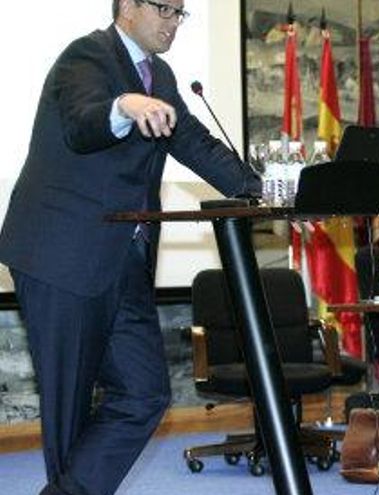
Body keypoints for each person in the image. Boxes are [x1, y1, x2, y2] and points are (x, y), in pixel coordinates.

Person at [0, 1, 260, 494]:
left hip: (126, 260)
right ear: (129, 6)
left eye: (180, 14)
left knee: (144, 392)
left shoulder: (159, 75)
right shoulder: (86, 55)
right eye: (164, 9)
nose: (173, 22)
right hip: (63, 254)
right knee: (69, 406)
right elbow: (81, 122)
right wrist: (124, 105)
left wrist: (264, 193)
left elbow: (197, 145)